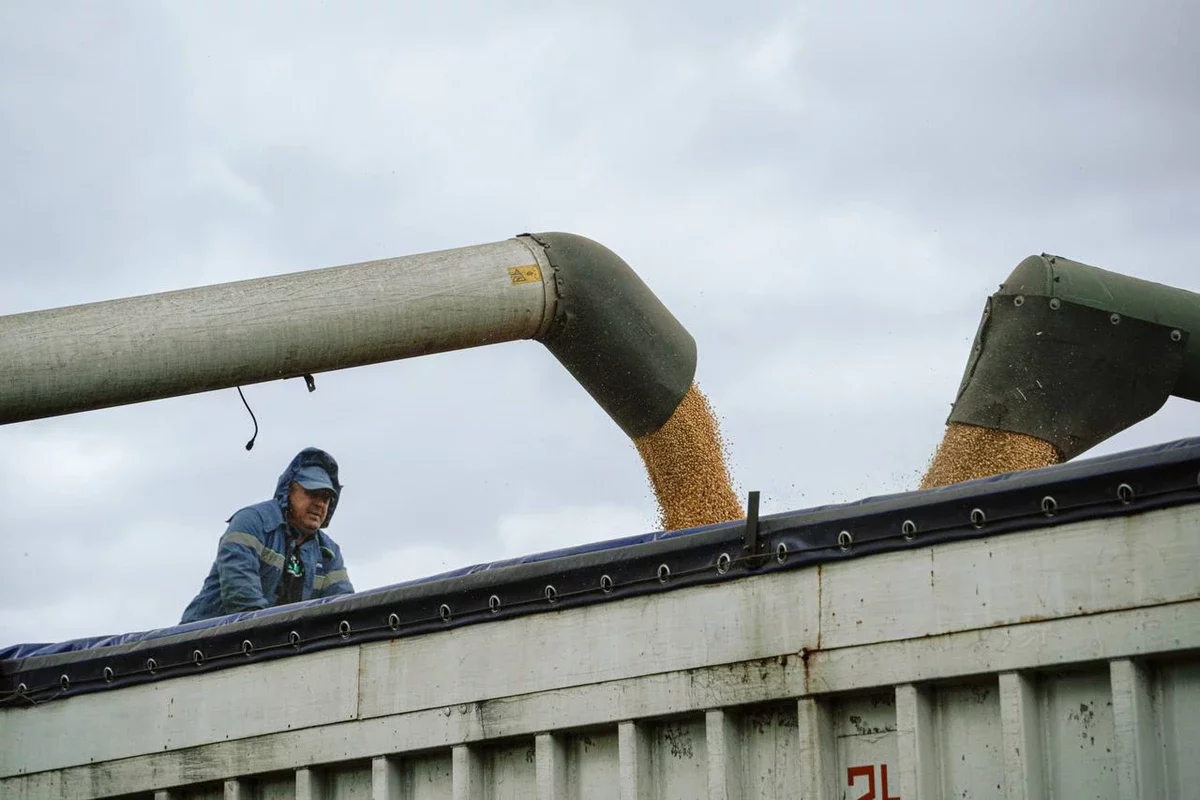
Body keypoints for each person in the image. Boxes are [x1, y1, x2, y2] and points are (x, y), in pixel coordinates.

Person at [180, 447, 354, 623]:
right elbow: (242, 595)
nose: (319, 504)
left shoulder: (329, 552)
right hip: (203, 642)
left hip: (275, 644)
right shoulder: (251, 521)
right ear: (289, 491)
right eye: (311, 493)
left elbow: (344, 605)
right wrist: (272, 635)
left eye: (326, 498)